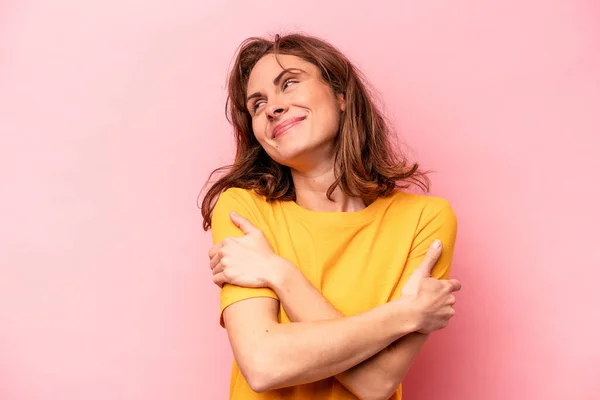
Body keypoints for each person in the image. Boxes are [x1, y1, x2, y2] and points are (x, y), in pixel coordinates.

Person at [200, 32, 462, 400]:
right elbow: (264, 363)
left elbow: (377, 384)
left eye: (288, 83)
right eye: (257, 104)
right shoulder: (243, 209)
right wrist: (407, 314)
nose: (272, 107)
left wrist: (279, 274)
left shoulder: (425, 220)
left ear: (341, 95)